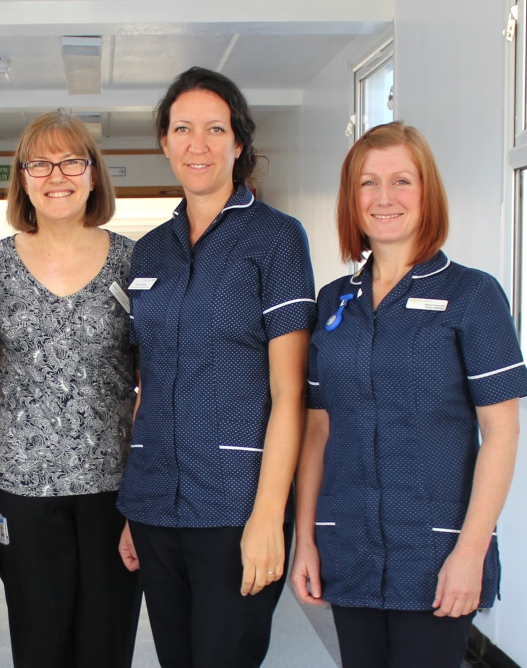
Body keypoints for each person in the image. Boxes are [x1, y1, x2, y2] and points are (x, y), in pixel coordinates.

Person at [289, 121, 527, 668]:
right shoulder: (332, 303)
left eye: (402, 181)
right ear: (352, 199)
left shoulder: (473, 295)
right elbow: (318, 429)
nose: (384, 198)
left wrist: (471, 552)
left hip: (436, 549)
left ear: (427, 193)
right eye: (368, 183)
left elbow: (502, 431)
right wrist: (304, 538)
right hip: (347, 543)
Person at [116, 66, 316, 666]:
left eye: (213, 129)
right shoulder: (150, 251)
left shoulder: (277, 240)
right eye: (182, 129)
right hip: (155, 506)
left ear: (238, 142)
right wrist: (134, 506)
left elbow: (289, 395)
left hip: (236, 507)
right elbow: (146, 387)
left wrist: (267, 517)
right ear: (165, 142)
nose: (196, 144)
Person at [0, 110, 141, 668]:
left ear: (94, 174)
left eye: (72, 161)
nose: (57, 175)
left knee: (106, 643)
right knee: (39, 643)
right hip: (20, 484)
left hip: (114, 485)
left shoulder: (133, 262)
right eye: (40, 163)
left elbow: (155, 377)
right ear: (22, 178)